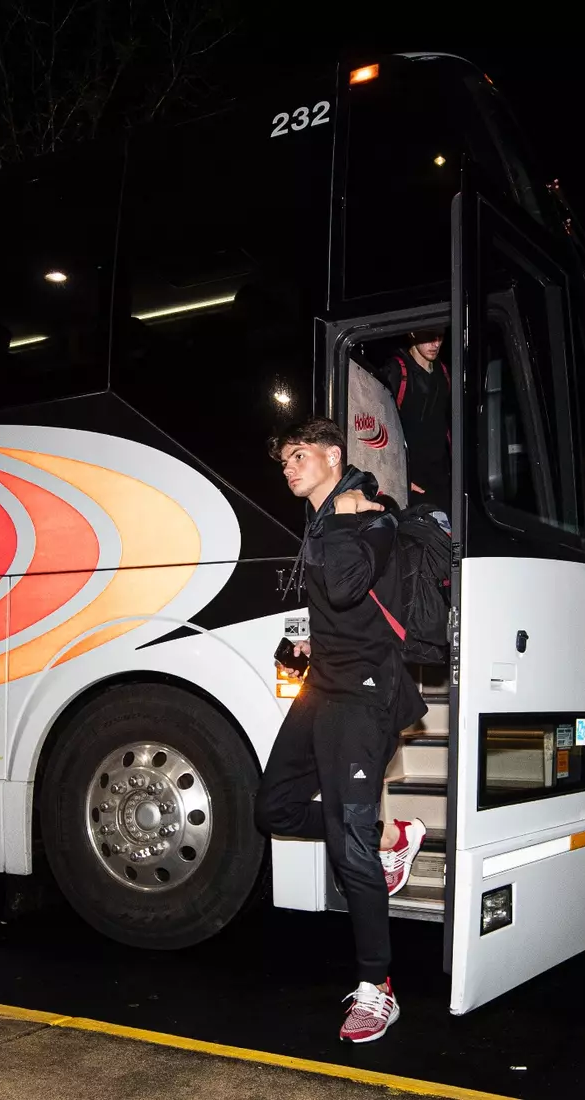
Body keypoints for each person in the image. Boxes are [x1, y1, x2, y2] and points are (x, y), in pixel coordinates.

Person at [254, 417, 429, 1044]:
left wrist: (346, 516)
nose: (289, 469)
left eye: (299, 456)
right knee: (271, 806)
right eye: (283, 462)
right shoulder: (330, 514)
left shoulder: (368, 513)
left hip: (364, 699)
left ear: (333, 455)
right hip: (323, 688)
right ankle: (381, 845)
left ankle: (377, 987)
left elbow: (348, 586)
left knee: (347, 845)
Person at [373, 330, 451, 506]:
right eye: (429, 336)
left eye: (440, 336)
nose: (436, 344)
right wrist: (396, 476)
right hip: (409, 477)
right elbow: (376, 428)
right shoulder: (396, 370)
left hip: (441, 475)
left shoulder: (444, 371)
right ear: (413, 333)